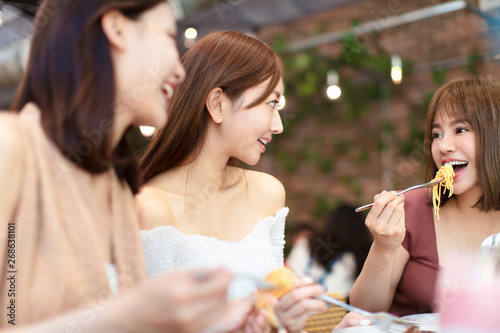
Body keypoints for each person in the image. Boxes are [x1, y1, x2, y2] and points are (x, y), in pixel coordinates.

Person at [0, 0, 255, 331]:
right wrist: (125, 317)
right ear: (117, 29)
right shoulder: (10, 144)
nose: (179, 71)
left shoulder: (117, 188)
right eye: (167, 36)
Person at [138, 30, 327, 332]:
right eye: (271, 103)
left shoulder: (268, 192)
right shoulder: (152, 208)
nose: (277, 126)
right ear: (218, 104)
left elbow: (273, 310)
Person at [349, 77, 500, 316]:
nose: (444, 146)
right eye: (437, 134)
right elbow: (363, 312)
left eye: (460, 130)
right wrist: (383, 248)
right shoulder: (412, 207)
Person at [286, 204, 372, 298]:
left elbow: (288, 274)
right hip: (332, 309)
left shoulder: (305, 244)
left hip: (294, 303)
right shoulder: (354, 258)